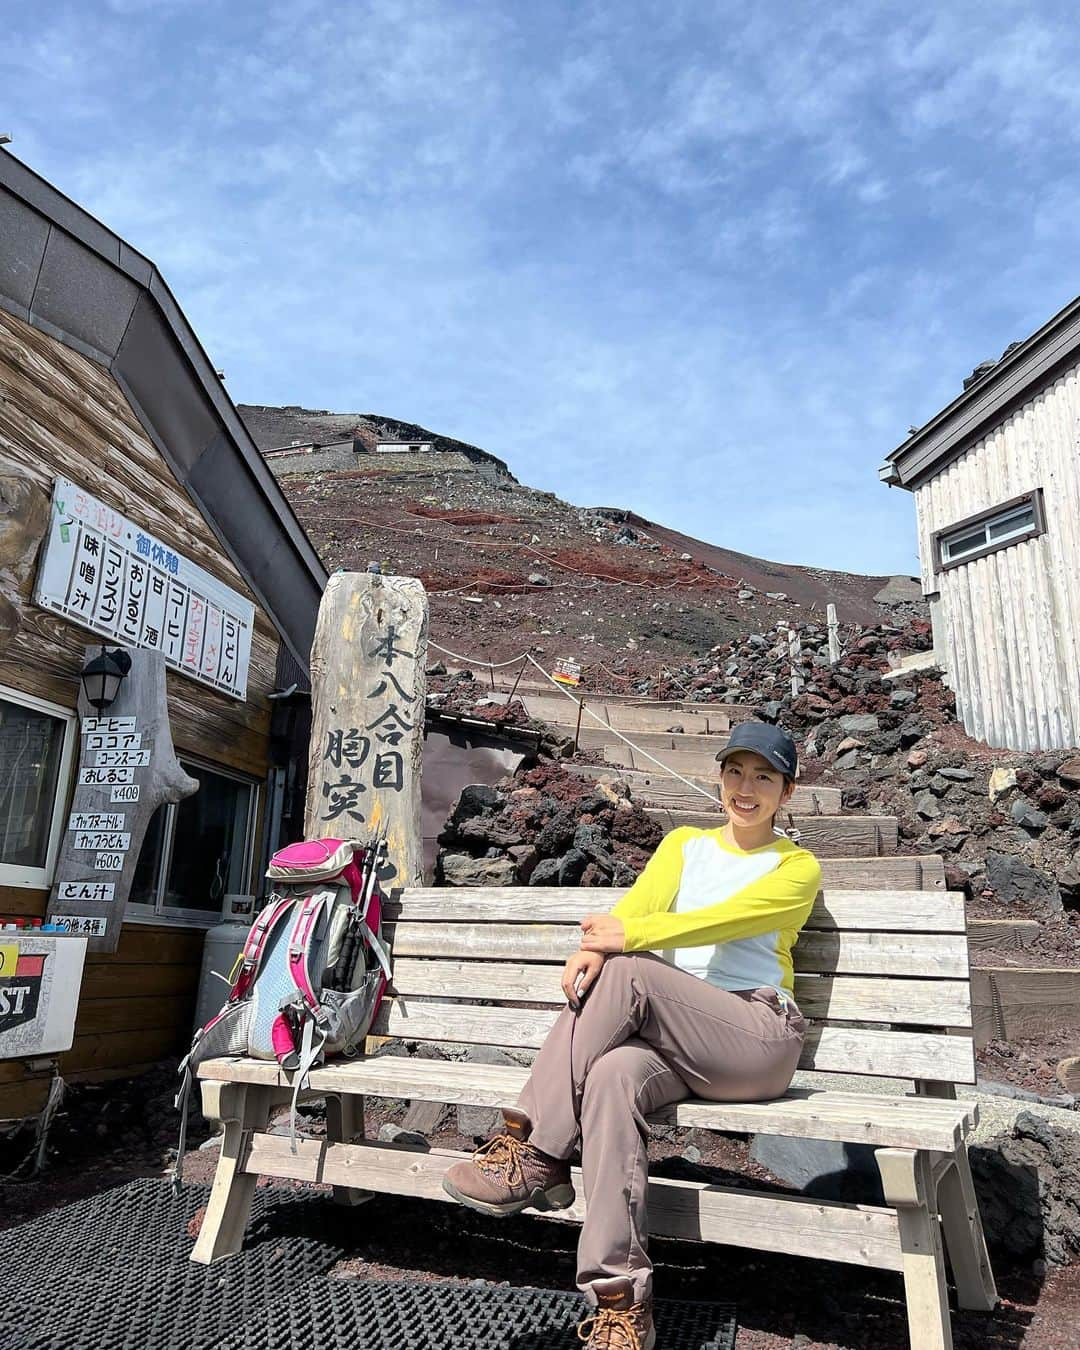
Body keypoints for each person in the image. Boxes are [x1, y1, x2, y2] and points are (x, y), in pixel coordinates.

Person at [442, 720, 822, 1350]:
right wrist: (592, 948)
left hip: (757, 1034)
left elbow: (718, 920)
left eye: (764, 777)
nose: (746, 788)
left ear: (787, 791)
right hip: (677, 1037)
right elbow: (637, 910)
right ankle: (620, 1304)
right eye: (735, 772)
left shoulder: (796, 866)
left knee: (631, 971)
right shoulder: (683, 846)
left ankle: (535, 1152)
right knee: (614, 1075)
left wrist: (619, 944)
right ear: (719, 777)